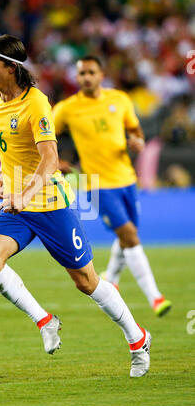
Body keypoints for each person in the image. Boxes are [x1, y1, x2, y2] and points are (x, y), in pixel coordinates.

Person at [0, 34, 151, 378]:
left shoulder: (37, 104)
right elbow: (12, 150)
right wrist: (2, 174)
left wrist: (25, 195)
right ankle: (44, 320)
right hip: (16, 206)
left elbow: (50, 159)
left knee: (86, 281)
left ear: (11, 67)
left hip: (49, 203)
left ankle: (138, 339)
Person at [53, 55, 171, 317]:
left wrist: (137, 141)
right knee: (129, 235)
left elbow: (135, 131)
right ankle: (156, 297)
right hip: (96, 183)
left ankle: (111, 279)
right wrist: (57, 161)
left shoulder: (120, 100)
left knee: (127, 237)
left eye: (90, 72)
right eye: (81, 73)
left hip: (127, 179)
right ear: (77, 77)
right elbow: (44, 132)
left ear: (101, 74)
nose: (86, 77)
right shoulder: (68, 108)